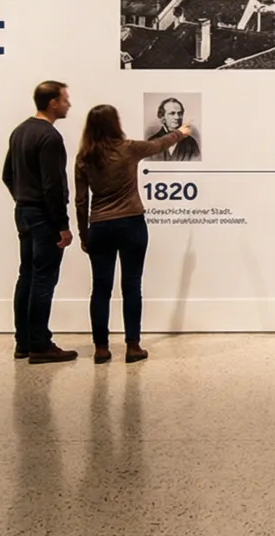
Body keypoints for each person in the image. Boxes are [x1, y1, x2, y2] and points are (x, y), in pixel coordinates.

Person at [75, 104, 192, 364]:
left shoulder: (84, 157)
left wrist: (84, 235)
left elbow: (80, 201)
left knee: (100, 289)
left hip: (100, 226)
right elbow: (159, 145)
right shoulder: (128, 148)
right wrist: (181, 133)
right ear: (114, 124)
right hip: (131, 224)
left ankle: (101, 348)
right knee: (132, 286)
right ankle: (132, 346)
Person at [3, 80, 76, 364]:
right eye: (65, 99)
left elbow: (7, 175)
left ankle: (23, 342)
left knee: (27, 277)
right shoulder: (50, 137)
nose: (68, 103)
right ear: (52, 103)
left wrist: (23, 199)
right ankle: (40, 344)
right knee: (43, 280)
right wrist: (62, 224)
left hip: (24, 212)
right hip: (44, 217)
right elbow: (52, 186)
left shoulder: (20, 131)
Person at [145, 97, 201, 162]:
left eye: (180, 113)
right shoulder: (151, 143)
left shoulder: (191, 143)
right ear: (162, 117)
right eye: (172, 113)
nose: (177, 117)